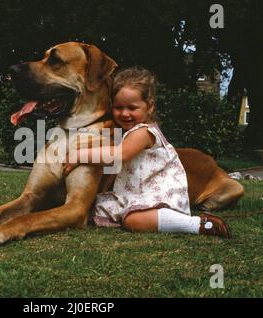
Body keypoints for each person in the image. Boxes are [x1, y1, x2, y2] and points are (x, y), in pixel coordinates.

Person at [63, 67, 231, 238]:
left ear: (149, 106)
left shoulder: (144, 132)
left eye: (132, 107)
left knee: (133, 221)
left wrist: (80, 155)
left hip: (159, 194)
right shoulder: (131, 131)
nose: (124, 113)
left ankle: (198, 224)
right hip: (139, 192)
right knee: (103, 207)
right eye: (118, 107)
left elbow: (120, 155)